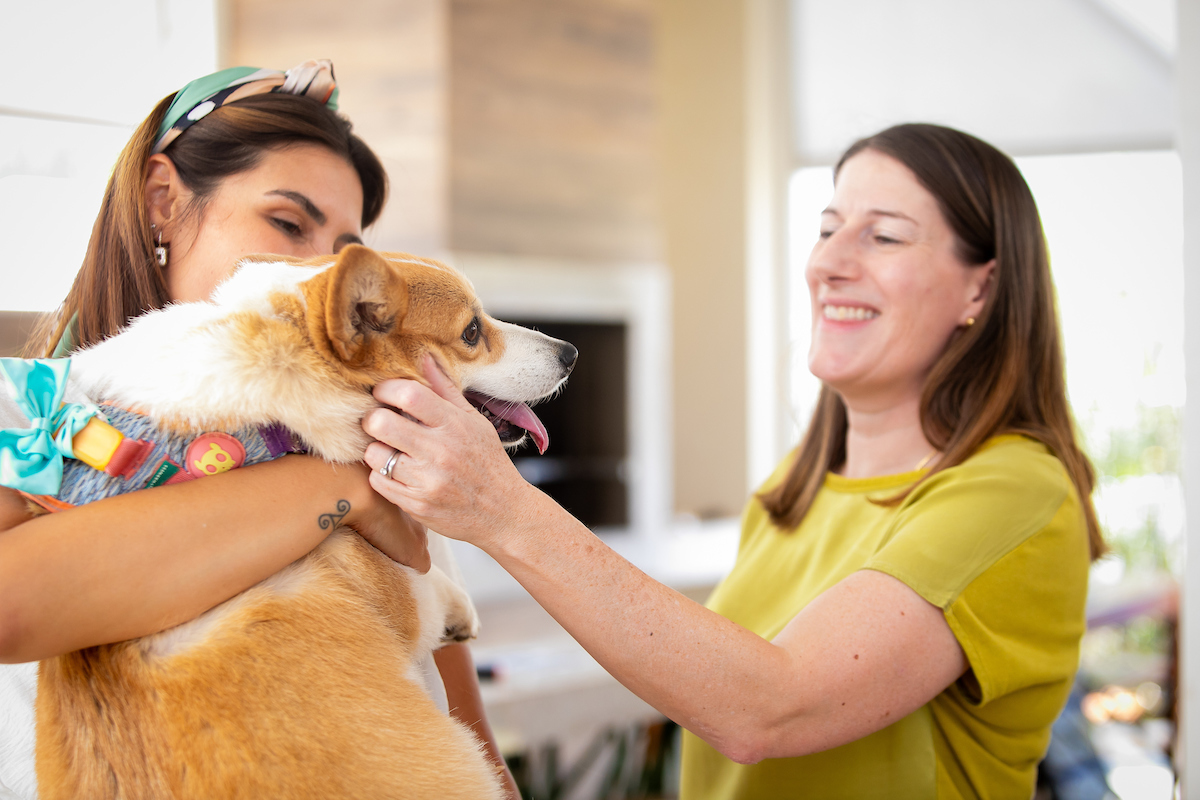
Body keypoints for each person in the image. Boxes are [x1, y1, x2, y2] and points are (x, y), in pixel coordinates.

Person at [359, 122, 1102, 799]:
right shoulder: (793, 491)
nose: (829, 263)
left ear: (983, 286)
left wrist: (501, 506)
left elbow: (769, 709)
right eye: (827, 228)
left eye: (885, 237)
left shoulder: (1016, 492)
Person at [0, 60, 517, 799]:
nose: (320, 278)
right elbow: (12, 603)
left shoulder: (388, 459)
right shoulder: (26, 412)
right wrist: (344, 488)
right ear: (161, 203)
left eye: (345, 255)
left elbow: (470, 748)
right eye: (286, 223)